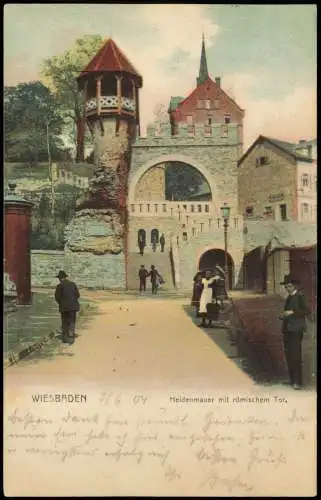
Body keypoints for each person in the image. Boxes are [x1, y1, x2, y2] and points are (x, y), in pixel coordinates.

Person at [279, 274, 310, 390]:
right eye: (286, 287)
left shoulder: (300, 296)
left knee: (295, 355)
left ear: (295, 286)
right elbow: (288, 312)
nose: (288, 289)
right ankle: (292, 380)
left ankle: (298, 382)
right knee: (289, 355)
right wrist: (284, 316)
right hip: (287, 329)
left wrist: (291, 312)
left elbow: (306, 311)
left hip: (296, 330)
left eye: (290, 286)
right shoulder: (289, 297)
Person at [55, 270, 80, 345]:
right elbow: (77, 295)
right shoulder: (73, 284)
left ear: (60, 278)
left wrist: (61, 303)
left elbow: (57, 297)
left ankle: (66, 337)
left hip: (64, 307)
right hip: (73, 306)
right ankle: (71, 335)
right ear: (65, 277)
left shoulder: (60, 286)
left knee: (65, 321)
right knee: (72, 320)